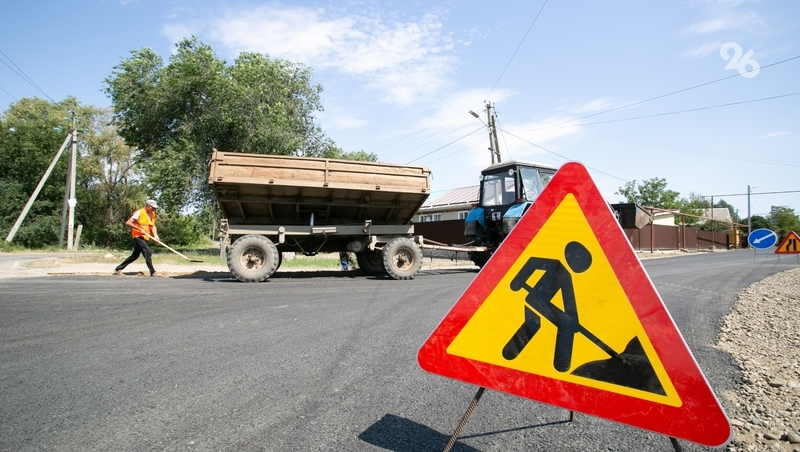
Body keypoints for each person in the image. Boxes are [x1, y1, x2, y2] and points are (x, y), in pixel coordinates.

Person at [115, 199, 161, 277]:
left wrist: (156, 235)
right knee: (147, 252)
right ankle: (153, 272)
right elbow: (128, 223)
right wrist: (139, 229)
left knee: (135, 255)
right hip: (138, 235)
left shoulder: (152, 214)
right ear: (148, 206)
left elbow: (152, 226)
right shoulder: (139, 212)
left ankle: (119, 268)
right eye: (153, 207)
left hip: (145, 236)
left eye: (155, 208)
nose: (154, 209)